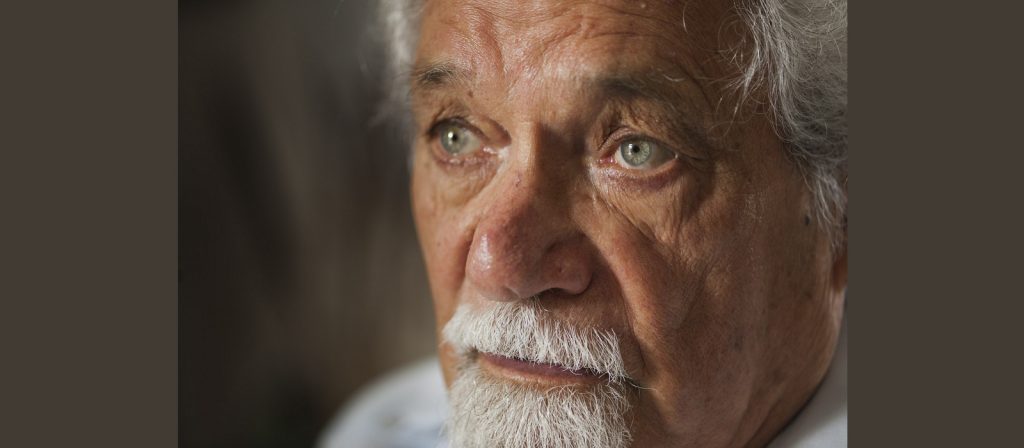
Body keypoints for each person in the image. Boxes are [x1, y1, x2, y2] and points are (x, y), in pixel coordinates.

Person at [320, 0, 847, 446]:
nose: (498, 265)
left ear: (841, 212)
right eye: (456, 136)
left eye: (638, 151)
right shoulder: (377, 433)